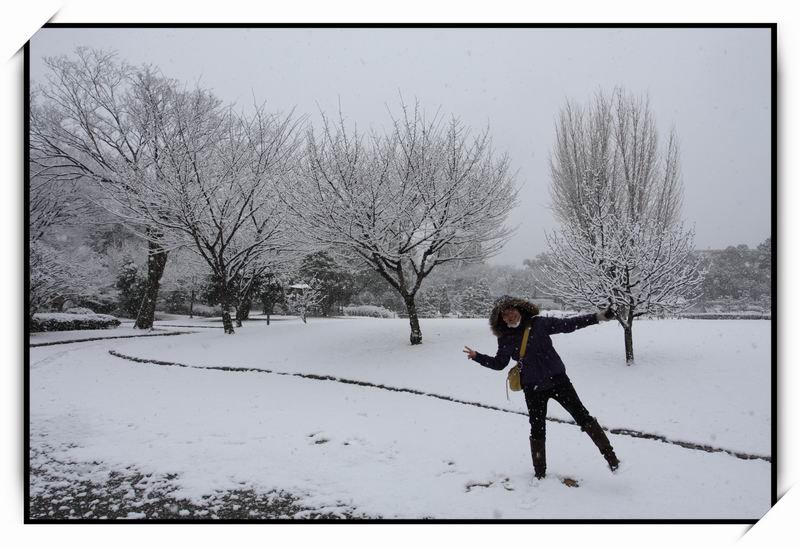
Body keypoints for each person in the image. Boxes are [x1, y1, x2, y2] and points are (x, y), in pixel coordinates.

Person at [463, 296, 619, 479]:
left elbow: (568, 324)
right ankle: (539, 473)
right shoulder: (505, 337)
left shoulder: (539, 324)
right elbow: (499, 363)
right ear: (500, 319)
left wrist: (600, 317)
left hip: (559, 381)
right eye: (504, 315)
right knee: (537, 428)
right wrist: (477, 356)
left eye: (511, 311)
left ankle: (611, 458)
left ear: (520, 309)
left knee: (583, 417)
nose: (509, 316)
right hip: (532, 387)